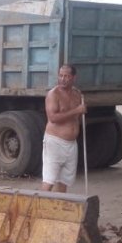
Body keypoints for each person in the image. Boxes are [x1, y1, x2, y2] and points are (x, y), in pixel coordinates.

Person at [40, 64, 86, 193]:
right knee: (49, 180)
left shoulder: (77, 94)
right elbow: (53, 118)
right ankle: (39, 210)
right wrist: (76, 110)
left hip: (71, 144)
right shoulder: (53, 94)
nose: (63, 79)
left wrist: (80, 112)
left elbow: (76, 118)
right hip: (54, 142)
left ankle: (57, 210)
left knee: (64, 181)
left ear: (73, 77)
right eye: (60, 75)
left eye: (66, 76)